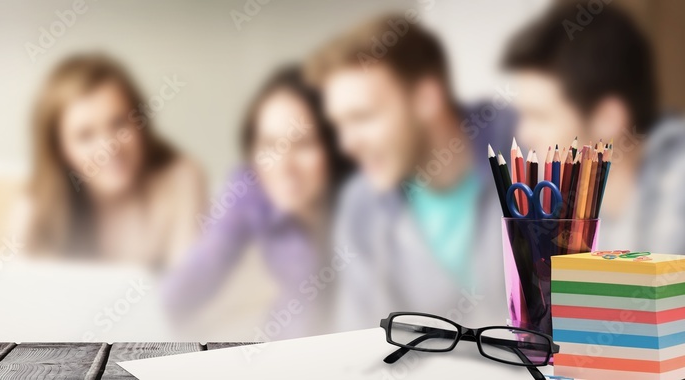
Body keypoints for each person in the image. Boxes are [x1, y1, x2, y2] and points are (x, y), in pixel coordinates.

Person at [305, 15, 515, 330]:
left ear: (426, 98)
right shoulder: (361, 205)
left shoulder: (532, 149)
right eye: (340, 125)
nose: (347, 145)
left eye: (362, 117)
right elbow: (363, 344)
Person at [162, 66, 354, 339]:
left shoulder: (365, 200)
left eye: (303, 144)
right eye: (269, 145)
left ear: (334, 147)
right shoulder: (251, 186)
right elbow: (199, 271)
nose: (284, 165)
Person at [504, 2, 685, 254]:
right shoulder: (562, 202)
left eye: (540, 116)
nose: (523, 134)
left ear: (608, 119)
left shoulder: (677, 190)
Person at [12, 53, 205, 269]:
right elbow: (14, 290)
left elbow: (188, 288)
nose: (109, 147)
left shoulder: (180, 178)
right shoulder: (38, 205)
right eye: (85, 135)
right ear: (60, 151)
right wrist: (28, 217)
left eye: (119, 123)